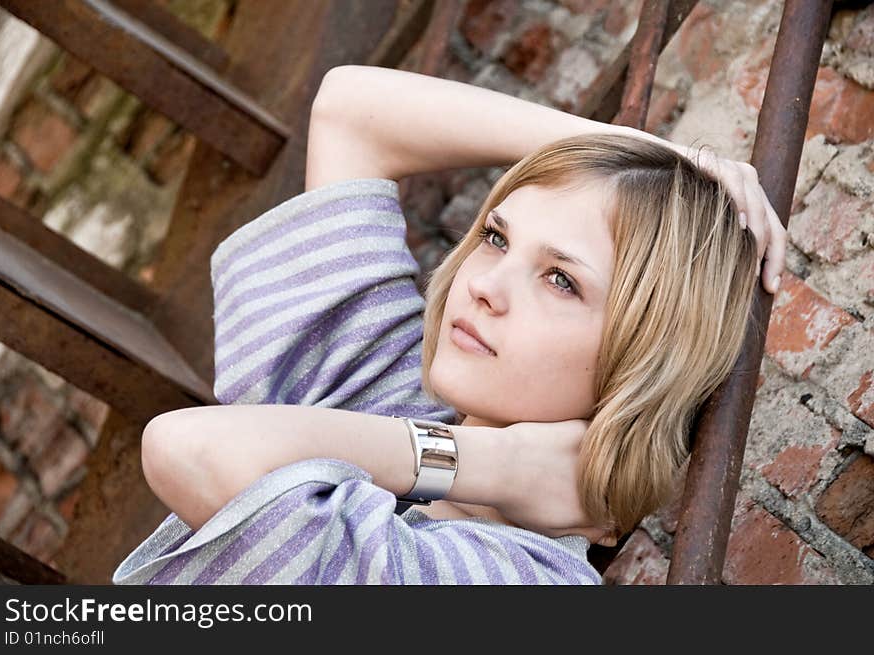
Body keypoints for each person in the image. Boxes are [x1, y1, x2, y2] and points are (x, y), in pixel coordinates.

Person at [112, 65, 785, 585]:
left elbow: (190, 450)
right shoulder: (391, 395)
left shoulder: (528, 581)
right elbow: (351, 111)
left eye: (561, 279)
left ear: (645, 358)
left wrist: (488, 464)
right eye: (496, 237)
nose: (484, 286)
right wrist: (645, 154)